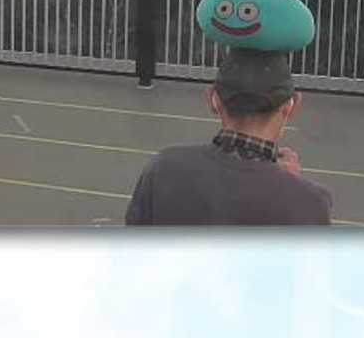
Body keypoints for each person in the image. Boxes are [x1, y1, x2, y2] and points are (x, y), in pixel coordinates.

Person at [125, 46, 332, 227]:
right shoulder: (311, 204)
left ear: (213, 100)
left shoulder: (163, 169)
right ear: (291, 107)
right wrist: (289, 185)